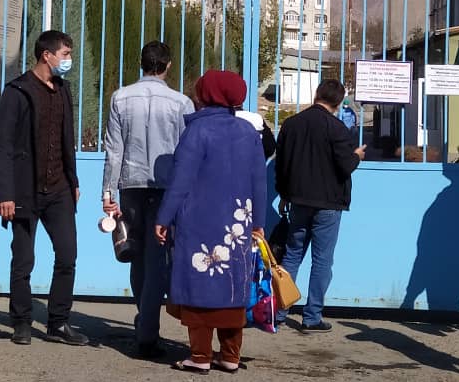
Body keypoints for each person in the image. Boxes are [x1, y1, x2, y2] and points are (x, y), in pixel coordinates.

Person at [155, 70, 267, 374]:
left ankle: (200, 356)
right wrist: (258, 221)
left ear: (208, 95)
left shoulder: (197, 131)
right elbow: (259, 181)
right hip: (238, 224)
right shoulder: (248, 132)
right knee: (233, 286)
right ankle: (230, 356)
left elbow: (180, 181)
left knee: (199, 287)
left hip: (199, 222)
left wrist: (164, 217)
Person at [101, 40, 194, 358]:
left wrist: (107, 192)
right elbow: (186, 152)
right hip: (165, 187)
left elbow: (114, 149)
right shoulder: (181, 102)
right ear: (168, 65)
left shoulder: (121, 97)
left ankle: (144, 318)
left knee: (136, 253)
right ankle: (147, 333)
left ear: (141, 63)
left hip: (130, 185)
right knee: (157, 259)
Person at [0, 30, 87, 347]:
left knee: (67, 255)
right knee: (23, 260)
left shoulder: (63, 90)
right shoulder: (18, 91)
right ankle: (21, 322)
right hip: (25, 190)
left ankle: (58, 322)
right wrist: (6, 193)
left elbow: (66, 140)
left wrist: (73, 180)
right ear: (46, 55)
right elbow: (4, 146)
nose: (69, 59)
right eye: (65, 53)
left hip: (59, 189)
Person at [274, 78, 366, 332]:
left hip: (298, 200)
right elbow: (345, 166)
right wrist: (356, 156)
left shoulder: (292, 124)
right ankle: (312, 316)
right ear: (339, 102)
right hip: (328, 202)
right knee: (322, 261)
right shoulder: (337, 129)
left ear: (316, 94)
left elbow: (281, 164)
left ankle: (279, 312)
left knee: (292, 256)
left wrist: (284, 194)